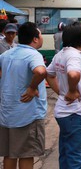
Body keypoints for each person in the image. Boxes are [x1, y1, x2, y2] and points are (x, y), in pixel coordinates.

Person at [45, 22, 81, 169]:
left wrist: (62, 92)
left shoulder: (61, 54)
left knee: (67, 156)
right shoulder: (74, 56)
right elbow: (73, 74)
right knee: (77, 160)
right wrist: (72, 91)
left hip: (66, 113)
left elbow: (48, 74)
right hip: (77, 114)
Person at [0, 22, 47, 169]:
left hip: (7, 113)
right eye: (40, 34)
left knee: (9, 154)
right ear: (35, 39)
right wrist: (32, 88)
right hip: (27, 114)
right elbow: (40, 71)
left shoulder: (7, 54)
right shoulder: (33, 55)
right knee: (26, 154)